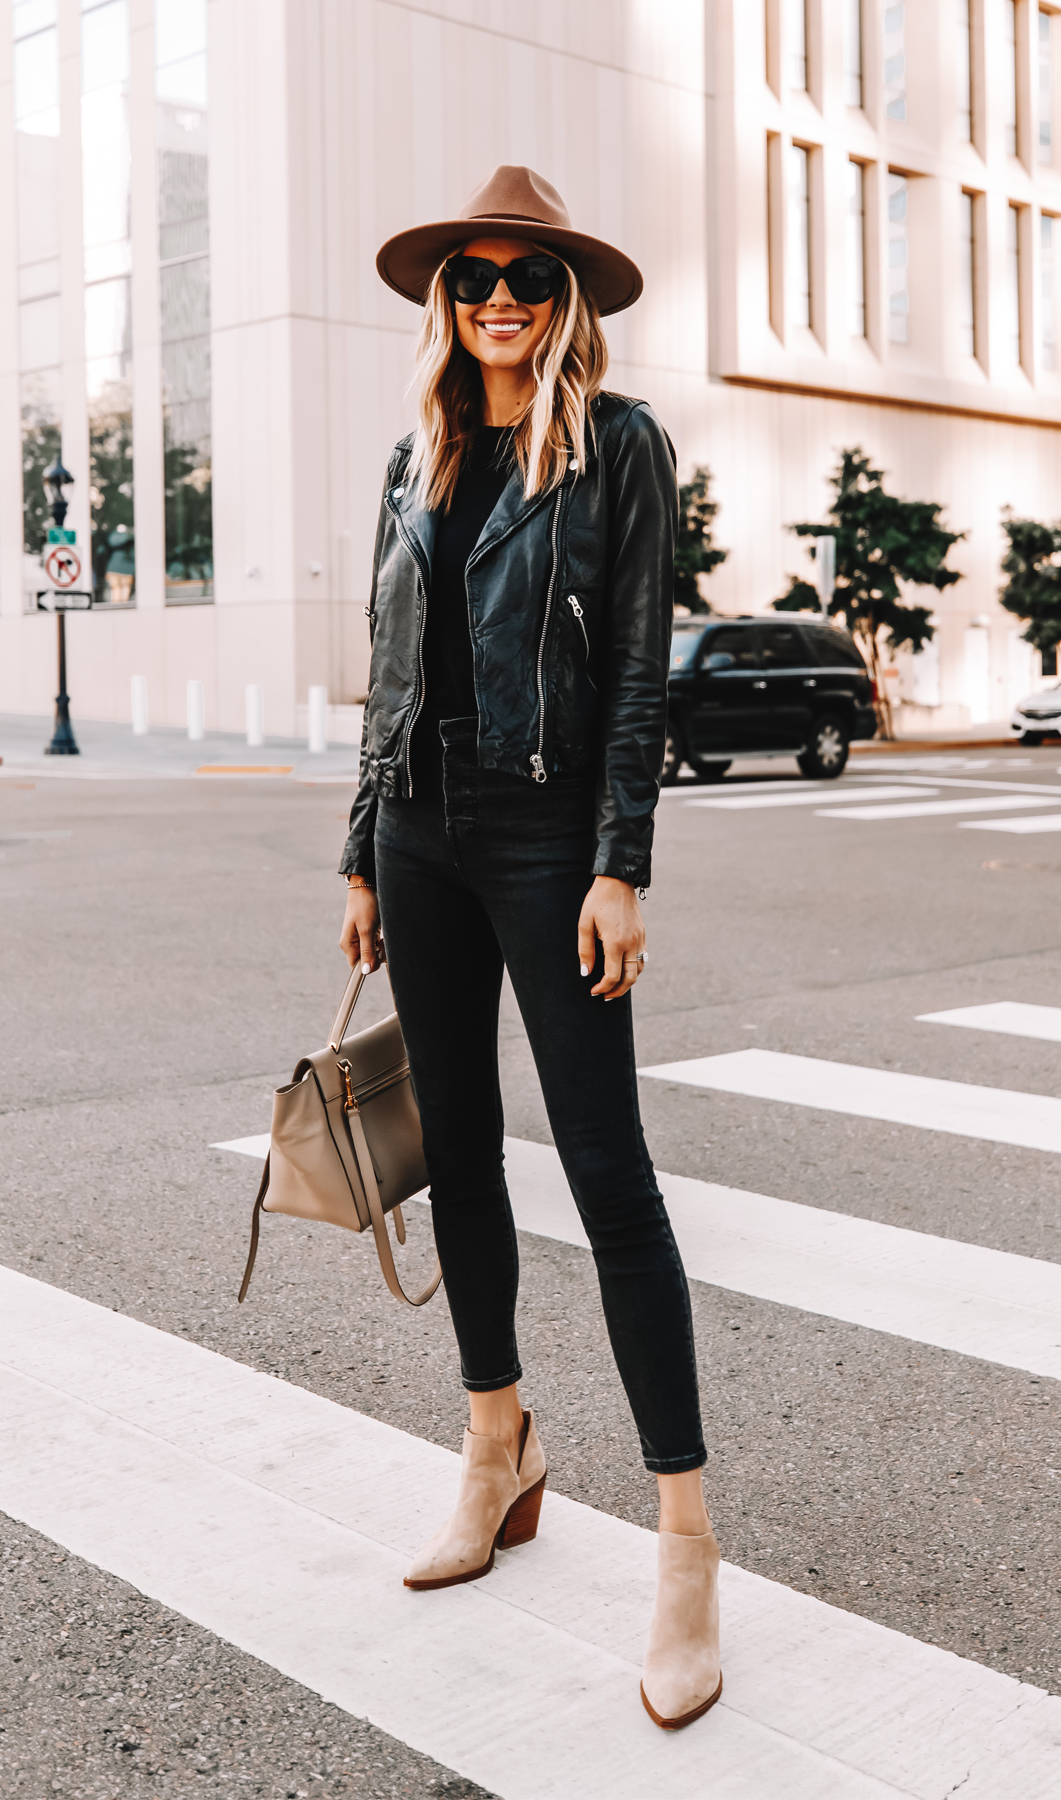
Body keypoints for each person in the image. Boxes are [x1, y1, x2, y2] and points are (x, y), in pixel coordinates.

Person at [339, 166, 721, 1731]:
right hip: (421, 837)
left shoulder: (619, 448)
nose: (500, 293)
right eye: (476, 274)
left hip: (550, 839)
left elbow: (638, 670)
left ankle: (688, 1546)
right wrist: (363, 847)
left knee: (611, 1175)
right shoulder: (418, 449)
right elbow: (384, 666)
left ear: (566, 299)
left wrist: (621, 865)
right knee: (466, 1157)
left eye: (528, 275)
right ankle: (498, 1445)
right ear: (450, 299)